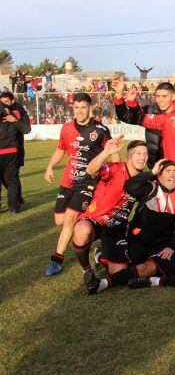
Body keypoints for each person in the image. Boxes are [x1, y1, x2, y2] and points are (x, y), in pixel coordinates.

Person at [44, 93, 113, 276]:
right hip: (68, 180)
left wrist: (114, 175)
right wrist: (50, 166)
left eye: (83, 107)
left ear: (90, 108)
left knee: (70, 218)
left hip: (87, 181)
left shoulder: (100, 130)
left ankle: (56, 259)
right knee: (60, 220)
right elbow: (61, 149)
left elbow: (111, 152)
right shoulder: (66, 128)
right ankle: (93, 238)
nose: (80, 111)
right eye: (76, 107)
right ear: (72, 108)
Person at [72, 137, 148, 291]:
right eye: (138, 153)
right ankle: (87, 269)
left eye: (145, 154)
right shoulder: (115, 168)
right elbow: (90, 170)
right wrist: (106, 152)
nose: (142, 157)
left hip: (116, 228)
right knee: (82, 230)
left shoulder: (143, 180)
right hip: (95, 219)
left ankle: (100, 256)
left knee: (119, 272)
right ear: (129, 156)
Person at [113, 79, 175, 166]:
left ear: (174, 96)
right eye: (158, 96)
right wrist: (119, 94)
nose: (160, 100)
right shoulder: (150, 110)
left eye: (164, 96)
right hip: (155, 164)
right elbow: (126, 117)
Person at [0, 92, 31, 214]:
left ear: (13, 101)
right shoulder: (3, 110)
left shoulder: (19, 110)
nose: (3, 104)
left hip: (14, 151)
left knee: (11, 178)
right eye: (1, 102)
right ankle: (17, 199)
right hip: (8, 150)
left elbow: (26, 129)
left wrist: (14, 120)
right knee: (7, 179)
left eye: (6, 102)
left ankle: (14, 206)